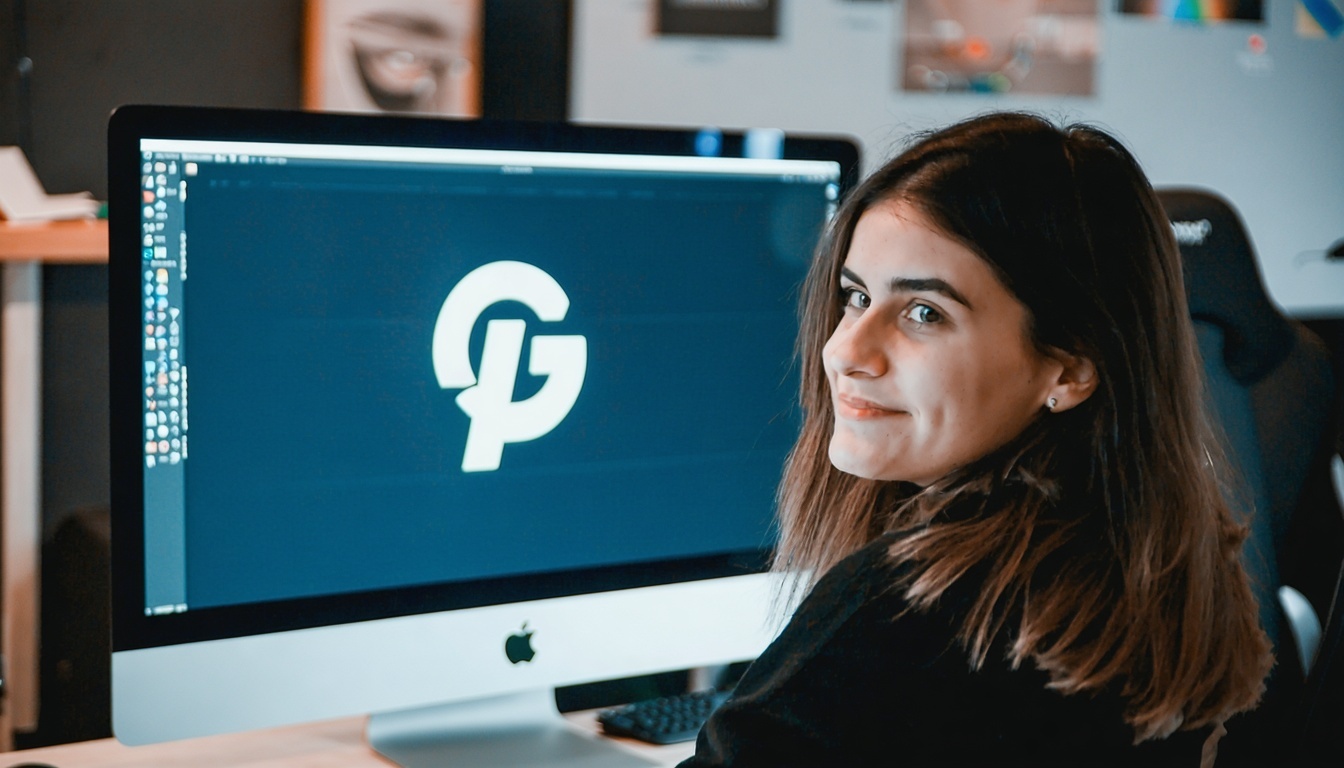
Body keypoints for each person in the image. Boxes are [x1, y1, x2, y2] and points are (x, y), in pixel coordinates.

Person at [679, 112, 1272, 767]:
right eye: (855, 296)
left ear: (1069, 368)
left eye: (924, 313)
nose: (847, 350)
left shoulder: (907, 607)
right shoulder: (1148, 572)